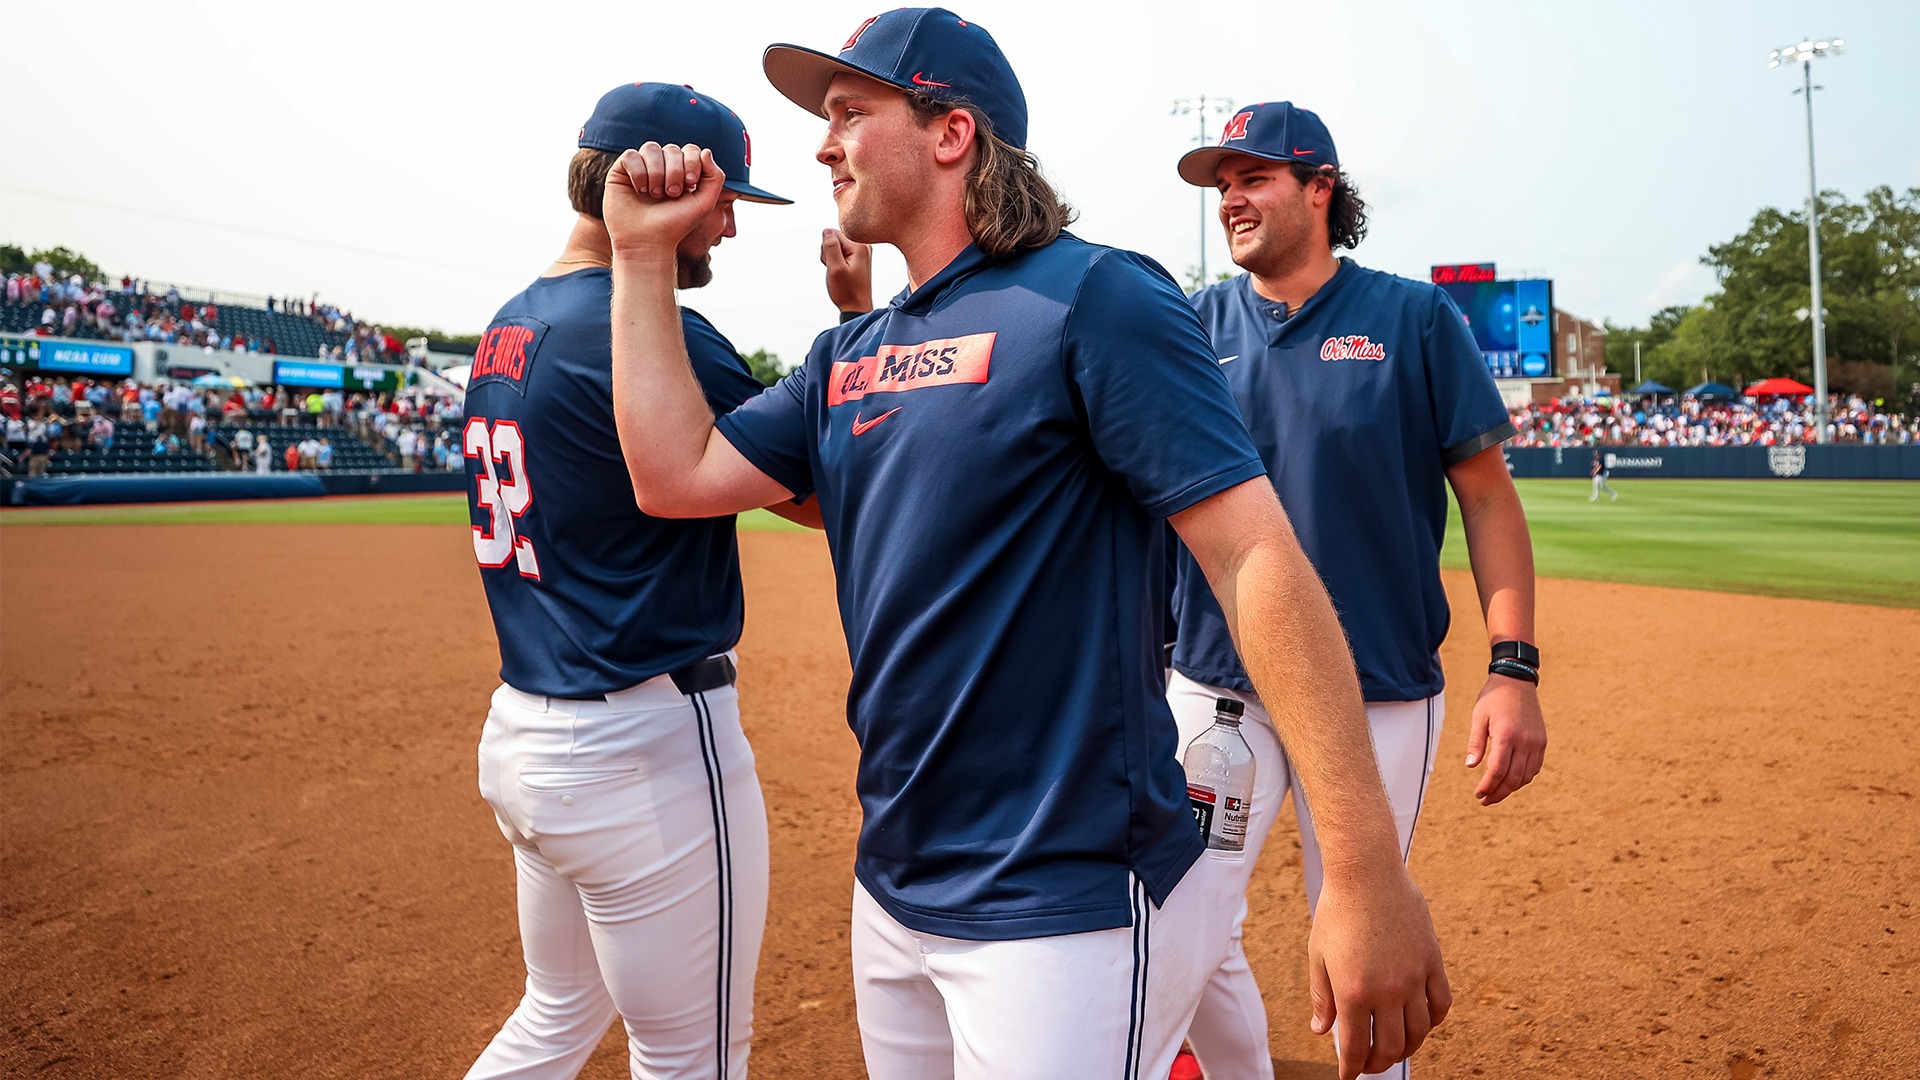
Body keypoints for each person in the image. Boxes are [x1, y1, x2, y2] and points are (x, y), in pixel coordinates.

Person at [601, 13, 1448, 1080]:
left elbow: (1252, 557)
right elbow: (674, 475)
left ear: (951, 132)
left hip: (1070, 899)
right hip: (895, 889)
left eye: (849, 114)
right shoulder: (849, 353)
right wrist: (636, 252)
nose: (823, 146)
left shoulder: (1096, 296)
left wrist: (1365, 872)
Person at [1164, 102, 1547, 1080]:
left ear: (1319, 187)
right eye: (1222, 186)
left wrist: (1513, 670)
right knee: (1175, 929)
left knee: (1367, 949)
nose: (1232, 201)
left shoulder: (1414, 319)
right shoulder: (1192, 323)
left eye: (1252, 177)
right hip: (1218, 687)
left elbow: (1491, 503)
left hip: (1378, 689)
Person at [461, 81, 809, 1080]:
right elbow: (813, 496)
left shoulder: (508, 324)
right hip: (643, 752)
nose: (732, 224)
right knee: (693, 1056)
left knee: (556, 1014)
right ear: (662, 182)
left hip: (529, 733)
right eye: (723, 195)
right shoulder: (656, 332)